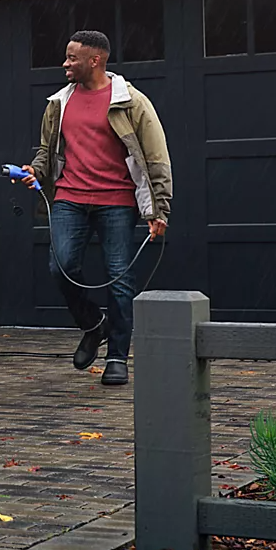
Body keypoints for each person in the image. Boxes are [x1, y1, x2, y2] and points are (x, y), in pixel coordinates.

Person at [20, 30, 171, 387]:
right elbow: (47, 151)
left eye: (72, 58)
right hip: (70, 198)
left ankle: (117, 357)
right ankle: (93, 324)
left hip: (116, 201)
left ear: (95, 60)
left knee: (119, 278)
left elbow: (156, 158)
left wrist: (158, 210)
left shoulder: (131, 102)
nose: (65, 64)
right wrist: (35, 170)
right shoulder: (58, 103)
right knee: (61, 268)